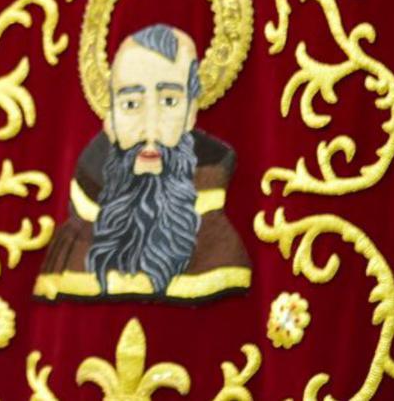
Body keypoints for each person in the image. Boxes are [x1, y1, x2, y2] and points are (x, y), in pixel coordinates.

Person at [34, 24, 251, 303]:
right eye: (131, 104)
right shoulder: (75, 233)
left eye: (169, 101)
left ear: (191, 114)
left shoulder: (218, 236)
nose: (150, 129)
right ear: (110, 119)